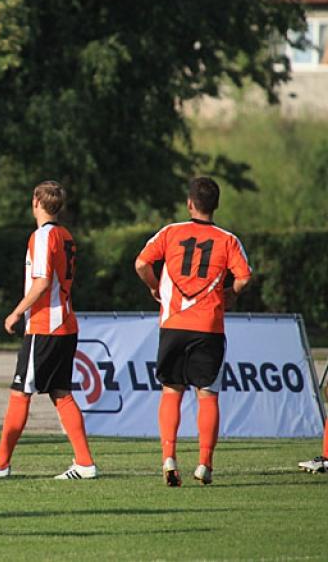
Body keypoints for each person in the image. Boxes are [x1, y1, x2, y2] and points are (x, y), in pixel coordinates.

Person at [0, 181, 97, 480]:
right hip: (65, 324)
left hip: (45, 326)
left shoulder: (42, 236)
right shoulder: (66, 235)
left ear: (36, 201)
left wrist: (15, 312)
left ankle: (0, 463)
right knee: (61, 393)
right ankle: (85, 463)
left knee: (20, 392)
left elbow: (41, 282)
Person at [135, 176, 251, 487]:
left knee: (172, 390)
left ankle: (169, 457)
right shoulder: (228, 240)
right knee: (208, 394)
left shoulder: (170, 232)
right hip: (208, 327)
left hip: (173, 323)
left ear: (189, 203)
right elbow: (243, 277)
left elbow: (141, 263)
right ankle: (205, 463)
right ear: (216, 205)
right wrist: (232, 294)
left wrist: (154, 287)